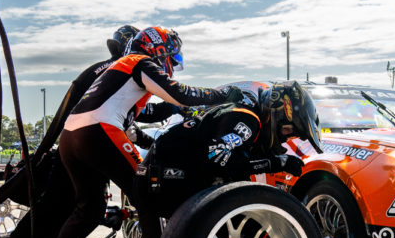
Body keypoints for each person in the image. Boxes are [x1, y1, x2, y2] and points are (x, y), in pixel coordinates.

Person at [36, 26, 241, 238]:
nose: (173, 64)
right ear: (159, 49)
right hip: (98, 131)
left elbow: (152, 110)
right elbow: (180, 92)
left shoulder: (118, 69)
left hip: (71, 136)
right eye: (173, 58)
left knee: (89, 207)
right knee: (148, 192)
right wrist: (220, 96)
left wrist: (179, 108)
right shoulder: (140, 62)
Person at [0, 24, 141, 238]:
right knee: (59, 204)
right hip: (82, 147)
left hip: (79, 146)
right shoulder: (114, 72)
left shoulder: (109, 72)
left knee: (78, 206)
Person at [134, 80, 320, 222]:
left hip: (167, 173)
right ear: (275, 115)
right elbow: (218, 160)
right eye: (287, 130)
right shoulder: (247, 120)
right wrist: (276, 163)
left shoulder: (247, 117)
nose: (286, 137)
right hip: (162, 178)